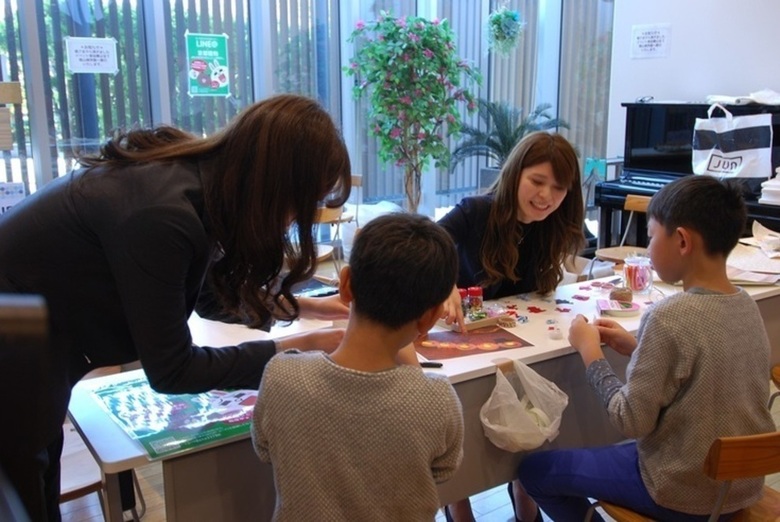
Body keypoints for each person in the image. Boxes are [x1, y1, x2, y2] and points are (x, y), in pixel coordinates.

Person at [0, 94, 351, 521]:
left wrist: (306, 307)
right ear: (276, 185)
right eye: (302, 202)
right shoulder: (160, 215)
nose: (296, 218)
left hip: (33, 345)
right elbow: (173, 370)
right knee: (21, 493)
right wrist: (295, 349)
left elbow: (208, 298)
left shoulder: (194, 182)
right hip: (12, 349)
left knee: (34, 479)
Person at [517, 175, 776, 520]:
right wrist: (637, 346)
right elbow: (703, 365)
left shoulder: (669, 315)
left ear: (682, 241)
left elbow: (629, 420)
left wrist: (589, 352)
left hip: (679, 490)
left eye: (651, 237)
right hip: (739, 487)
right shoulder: (745, 305)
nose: (647, 250)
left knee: (534, 471)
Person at [251, 212, 464, 521]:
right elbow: (443, 469)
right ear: (430, 317)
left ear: (345, 284)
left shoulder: (281, 375)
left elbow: (265, 450)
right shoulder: (436, 399)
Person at [437, 131, 584, 522]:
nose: (546, 197)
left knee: (534, 398)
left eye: (558, 188)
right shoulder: (475, 212)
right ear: (515, 173)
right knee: (463, 410)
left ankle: (523, 491)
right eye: (537, 182)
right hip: (465, 341)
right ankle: (458, 503)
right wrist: (443, 285)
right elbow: (426, 244)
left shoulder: (549, 225)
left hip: (519, 342)